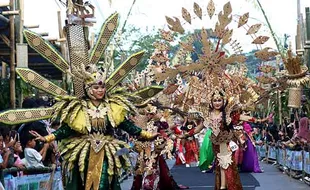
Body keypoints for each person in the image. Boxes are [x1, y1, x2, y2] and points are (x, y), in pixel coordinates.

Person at [131, 104, 188, 190]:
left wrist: (162, 141)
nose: (149, 115)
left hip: (154, 151)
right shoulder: (140, 124)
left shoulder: (159, 123)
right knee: (141, 169)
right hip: (143, 151)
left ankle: (150, 186)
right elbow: (136, 135)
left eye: (151, 113)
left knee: (152, 168)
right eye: (148, 113)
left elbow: (165, 131)